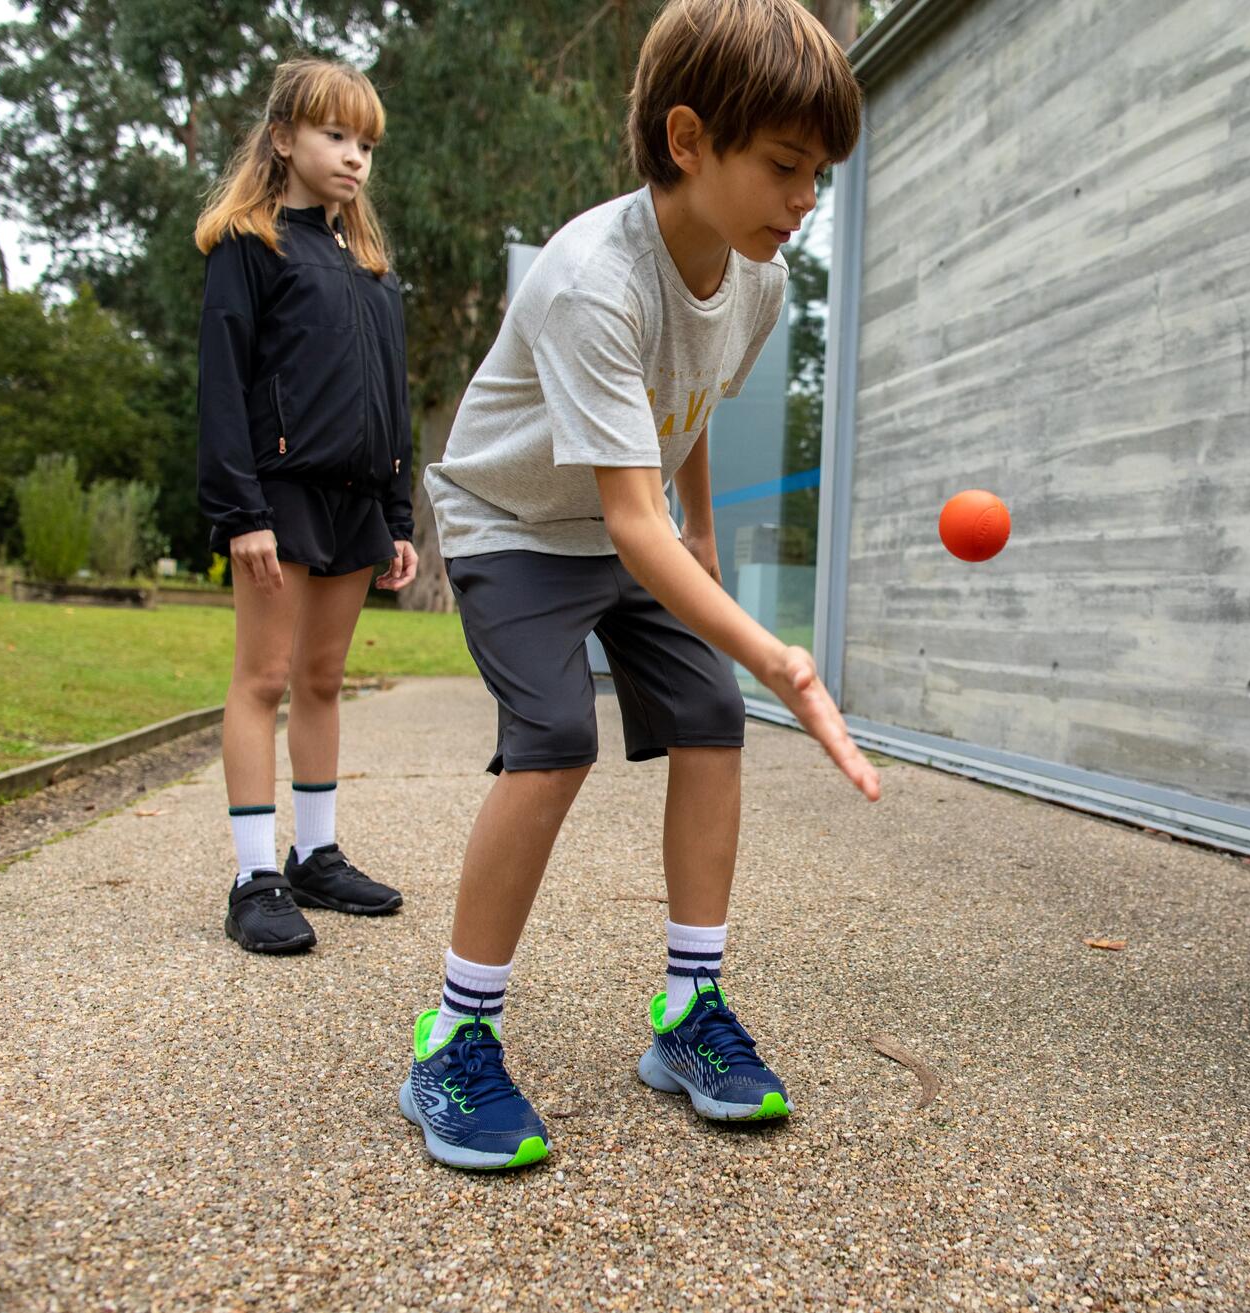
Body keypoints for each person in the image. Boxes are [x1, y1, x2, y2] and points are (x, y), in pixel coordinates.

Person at [398, 0, 878, 1170]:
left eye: (818, 175)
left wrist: (703, 534)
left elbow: (687, 407)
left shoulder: (756, 279)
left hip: (632, 529)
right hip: (513, 525)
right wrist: (779, 652)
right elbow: (624, 514)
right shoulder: (590, 281)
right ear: (686, 140)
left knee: (713, 719)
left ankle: (688, 1014)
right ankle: (452, 1039)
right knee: (555, 735)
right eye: (783, 167)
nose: (805, 200)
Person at [194, 58, 418, 956]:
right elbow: (221, 387)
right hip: (277, 499)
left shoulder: (371, 269)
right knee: (262, 679)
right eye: (336, 135)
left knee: (322, 681)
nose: (355, 156)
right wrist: (242, 509)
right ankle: (255, 875)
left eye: (366, 142)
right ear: (284, 137)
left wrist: (399, 519)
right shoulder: (249, 247)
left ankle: (316, 855)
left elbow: (394, 398)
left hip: (356, 504)